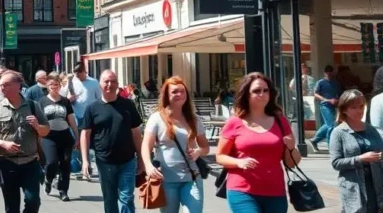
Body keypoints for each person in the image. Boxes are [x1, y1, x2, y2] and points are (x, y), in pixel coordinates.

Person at [216, 72, 299, 213]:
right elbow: (220, 156)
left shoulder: (280, 121)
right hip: (242, 190)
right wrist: (239, 162)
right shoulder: (234, 122)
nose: (262, 94)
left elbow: (292, 163)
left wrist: (291, 149)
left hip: (275, 191)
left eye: (266, 90)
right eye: (256, 91)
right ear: (246, 94)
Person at [140, 76, 209, 213]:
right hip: (167, 179)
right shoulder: (157, 118)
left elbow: (205, 147)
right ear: (166, 95)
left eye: (182, 91)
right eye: (174, 92)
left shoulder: (193, 119)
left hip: (192, 177)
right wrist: (148, 166)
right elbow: (146, 146)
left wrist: (198, 152)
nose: (179, 95)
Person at [0, 70, 49, 213]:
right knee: (11, 207)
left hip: (30, 162)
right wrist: (2, 143)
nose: (2, 88)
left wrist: (38, 127)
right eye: (0, 85)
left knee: (33, 202)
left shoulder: (33, 106)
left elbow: (46, 130)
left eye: (5, 85)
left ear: (18, 86)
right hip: (7, 163)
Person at [79, 70, 142, 213]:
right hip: (104, 161)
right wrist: (85, 161)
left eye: (113, 81)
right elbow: (85, 134)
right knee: (110, 199)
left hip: (127, 160)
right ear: (99, 84)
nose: (109, 84)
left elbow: (136, 133)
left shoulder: (128, 105)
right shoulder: (92, 108)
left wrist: (141, 159)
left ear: (118, 84)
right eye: (106, 81)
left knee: (126, 198)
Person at [39, 75, 78, 202]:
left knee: (65, 163)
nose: (54, 87)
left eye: (56, 84)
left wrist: (77, 136)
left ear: (60, 86)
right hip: (49, 136)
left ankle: (63, 190)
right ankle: (48, 179)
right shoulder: (42, 101)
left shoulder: (65, 101)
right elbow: (38, 121)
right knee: (51, 162)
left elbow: (71, 120)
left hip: (65, 135)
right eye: (51, 85)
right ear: (47, 86)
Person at [310, 65, 343, 152]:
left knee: (329, 124)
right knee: (331, 125)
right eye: (327, 73)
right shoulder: (320, 82)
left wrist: (337, 100)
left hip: (334, 106)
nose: (329, 75)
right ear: (325, 73)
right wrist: (326, 100)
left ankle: (315, 140)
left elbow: (339, 94)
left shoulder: (336, 83)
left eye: (330, 73)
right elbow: (316, 94)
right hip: (325, 105)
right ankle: (330, 145)